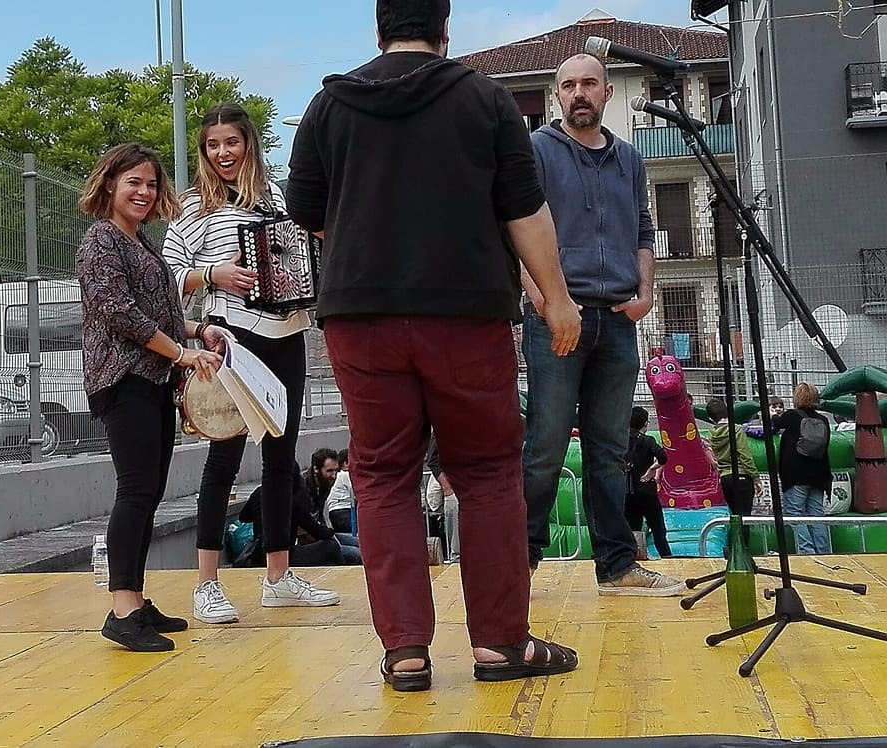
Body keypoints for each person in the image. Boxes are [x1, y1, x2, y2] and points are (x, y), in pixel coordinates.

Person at [287, 0, 582, 690]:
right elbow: (524, 210)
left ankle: (406, 652)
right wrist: (557, 298)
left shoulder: (330, 105)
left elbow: (305, 210)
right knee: (487, 473)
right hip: (465, 314)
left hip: (361, 314)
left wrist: (370, 238)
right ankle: (501, 644)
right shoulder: (485, 100)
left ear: (379, 30)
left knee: (382, 474)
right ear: (446, 31)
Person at [163, 103, 338, 625]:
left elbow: (297, 251)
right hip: (234, 335)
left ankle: (278, 577)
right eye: (213, 145)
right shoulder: (194, 205)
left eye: (231, 142)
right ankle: (206, 584)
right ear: (203, 151)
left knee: (281, 458)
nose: (223, 153)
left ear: (249, 145)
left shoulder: (277, 196)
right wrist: (213, 275)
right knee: (225, 456)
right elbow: (166, 277)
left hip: (289, 331)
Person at [521, 53, 684, 596]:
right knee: (545, 447)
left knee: (611, 450)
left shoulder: (630, 159)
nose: (579, 93)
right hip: (557, 318)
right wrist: (542, 300)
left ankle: (617, 566)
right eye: (568, 85)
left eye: (589, 83)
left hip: (616, 319)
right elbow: (516, 226)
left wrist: (646, 295)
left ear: (607, 92)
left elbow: (642, 230)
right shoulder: (538, 150)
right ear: (557, 95)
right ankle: (519, 564)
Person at [76, 142, 226, 652]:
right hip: (124, 379)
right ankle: (122, 609)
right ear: (110, 185)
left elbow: (158, 315)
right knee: (136, 491)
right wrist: (182, 354)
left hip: (154, 379)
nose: (144, 191)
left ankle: (135, 602)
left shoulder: (140, 241)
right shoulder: (101, 241)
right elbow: (120, 313)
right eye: (133, 182)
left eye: (151, 183)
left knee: (149, 492)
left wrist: (198, 330)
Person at [241, 462, 360, 572]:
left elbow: (244, 517)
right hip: (284, 556)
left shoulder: (259, 492)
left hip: (260, 554)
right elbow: (316, 531)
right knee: (332, 546)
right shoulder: (292, 500)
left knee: (350, 545)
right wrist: (329, 532)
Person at [777, 383, 832, 555]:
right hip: (819, 475)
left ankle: (807, 552)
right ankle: (824, 552)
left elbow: (774, 425)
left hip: (795, 475)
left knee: (795, 513)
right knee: (817, 514)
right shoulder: (823, 420)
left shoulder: (791, 416)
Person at [706, 397, 761, 540]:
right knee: (745, 518)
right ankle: (744, 547)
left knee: (733, 517)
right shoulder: (736, 429)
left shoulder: (711, 434)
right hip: (741, 476)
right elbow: (745, 455)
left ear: (711, 419)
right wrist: (755, 478)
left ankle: (734, 546)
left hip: (724, 478)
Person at [624, 407, 671, 558]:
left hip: (627, 492)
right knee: (658, 529)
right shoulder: (648, 441)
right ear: (645, 424)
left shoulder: (621, 441)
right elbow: (663, 457)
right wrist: (652, 469)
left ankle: (636, 558)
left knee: (633, 529)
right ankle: (666, 556)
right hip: (647, 492)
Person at [425, 432, 460, 563]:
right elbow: (432, 460)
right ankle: (456, 557)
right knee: (454, 504)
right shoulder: (441, 428)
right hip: (451, 486)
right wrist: (446, 486)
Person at [303, 447, 339, 523]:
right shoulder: (303, 484)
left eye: (336, 470)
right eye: (329, 471)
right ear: (316, 469)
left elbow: (318, 511)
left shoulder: (326, 481)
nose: (334, 475)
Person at [323, 449, 356, 533]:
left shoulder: (338, 476)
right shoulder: (345, 475)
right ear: (346, 463)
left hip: (337, 513)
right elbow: (358, 493)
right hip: (343, 512)